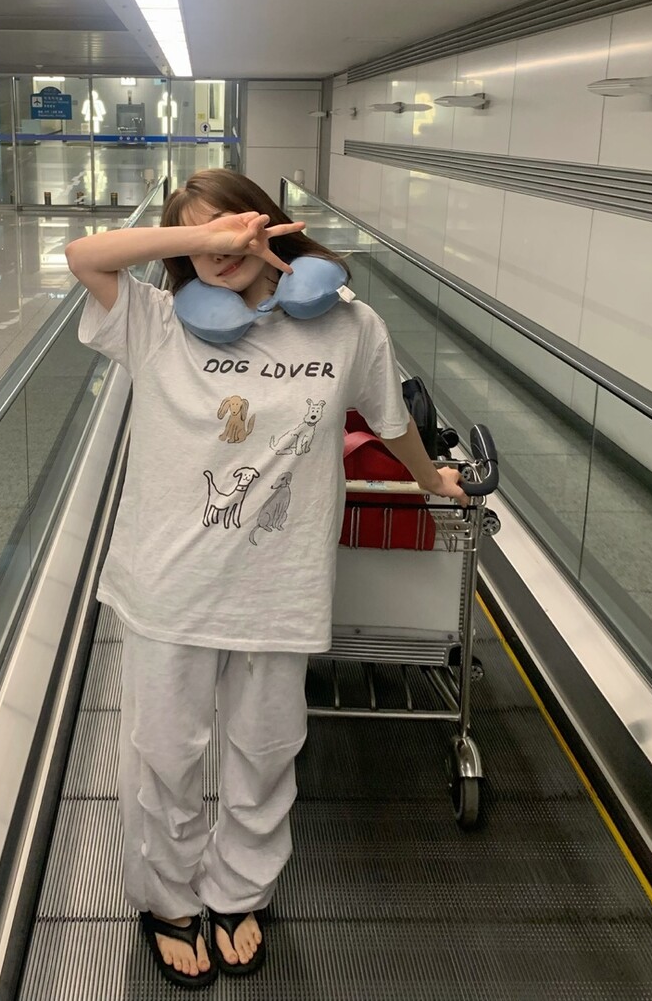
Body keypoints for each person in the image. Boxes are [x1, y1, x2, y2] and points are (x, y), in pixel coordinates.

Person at [66, 168, 465, 990]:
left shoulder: (349, 327)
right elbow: (84, 255)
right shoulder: (153, 321)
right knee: (163, 758)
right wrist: (201, 237)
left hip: (279, 585)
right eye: (203, 236)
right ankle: (168, 900)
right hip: (168, 587)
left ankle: (238, 892)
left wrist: (433, 481)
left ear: (272, 224)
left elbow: (389, 419)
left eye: (236, 227)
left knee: (265, 753)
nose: (223, 249)